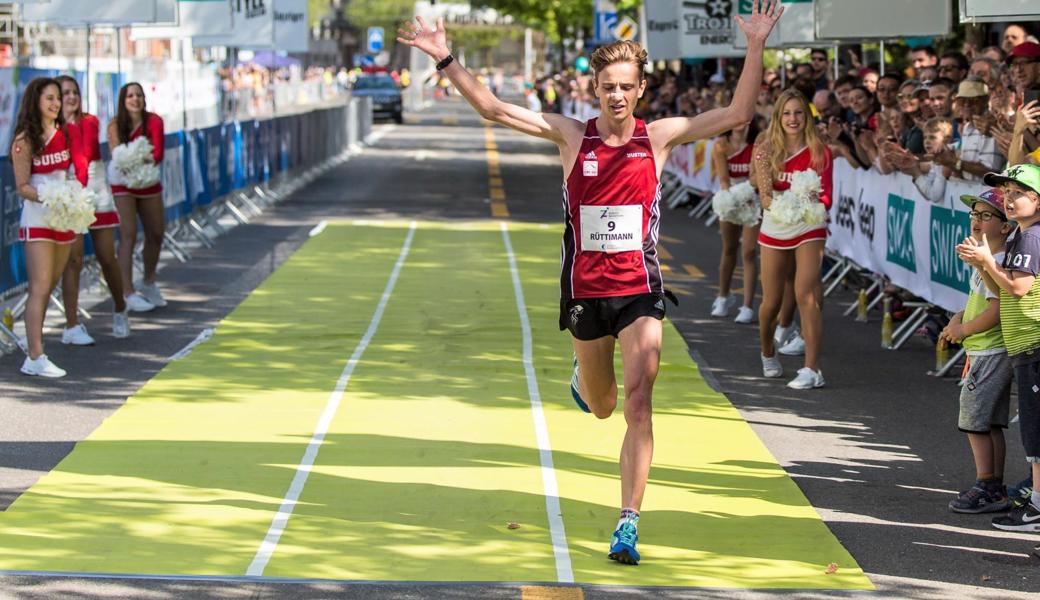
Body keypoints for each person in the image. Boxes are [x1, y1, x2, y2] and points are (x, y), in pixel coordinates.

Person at [398, 0, 784, 565]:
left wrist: (755, 46)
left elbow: (735, 114)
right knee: (603, 406)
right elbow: (490, 108)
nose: (617, 96)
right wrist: (445, 59)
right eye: (607, 86)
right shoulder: (570, 136)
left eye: (627, 86)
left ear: (641, 90)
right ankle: (586, 378)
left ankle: (627, 521)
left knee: (640, 399)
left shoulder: (659, 137)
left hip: (640, 288)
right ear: (596, 88)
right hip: (585, 289)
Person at [957, 163, 1040, 532]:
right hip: (1024, 344)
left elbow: (1019, 290)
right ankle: (1032, 498)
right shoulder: (1026, 235)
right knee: (1031, 432)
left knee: (1035, 435)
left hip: (1033, 342)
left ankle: (1033, 504)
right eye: (1006, 192)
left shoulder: (1031, 238)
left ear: (1037, 201)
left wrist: (987, 261)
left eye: (1018, 192)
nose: (1009, 198)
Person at [753, 88, 833, 389]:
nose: (793, 118)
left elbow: (827, 196)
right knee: (771, 302)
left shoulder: (820, 151)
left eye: (798, 112)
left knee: (806, 294)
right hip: (775, 225)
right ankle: (767, 351)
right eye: (786, 113)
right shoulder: (765, 149)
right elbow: (765, 197)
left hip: (808, 226)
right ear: (778, 117)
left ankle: (812, 369)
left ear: (807, 116)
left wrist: (810, 202)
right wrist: (784, 204)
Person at [943, 188, 1014, 514]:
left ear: (1005, 226)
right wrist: (957, 318)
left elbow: (997, 310)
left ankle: (986, 482)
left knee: (974, 420)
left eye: (986, 215)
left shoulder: (998, 262)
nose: (976, 220)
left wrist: (963, 330)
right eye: (974, 214)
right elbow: (978, 305)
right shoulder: (985, 258)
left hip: (990, 351)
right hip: (984, 349)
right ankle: (995, 485)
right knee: (991, 422)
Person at [10, 77, 86, 377]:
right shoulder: (24, 140)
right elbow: (21, 186)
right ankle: (35, 355)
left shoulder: (65, 133)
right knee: (39, 287)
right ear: (35, 102)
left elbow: (69, 172)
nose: (56, 103)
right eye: (50, 99)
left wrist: (71, 196)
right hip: (39, 219)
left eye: (57, 98)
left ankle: (36, 351)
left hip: (63, 218)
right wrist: (49, 196)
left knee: (50, 283)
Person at [55, 75, 135, 345]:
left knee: (106, 257)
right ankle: (71, 324)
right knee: (73, 260)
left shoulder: (90, 122)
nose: (71, 97)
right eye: (64, 93)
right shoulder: (49, 127)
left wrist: (81, 189)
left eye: (74, 92)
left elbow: (83, 152)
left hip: (94, 186)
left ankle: (120, 308)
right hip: (68, 189)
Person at [108, 82, 167, 311]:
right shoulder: (114, 125)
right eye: (130, 95)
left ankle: (149, 280)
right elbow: (117, 157)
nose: (135, 99)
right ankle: (127, 291)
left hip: (149, 181)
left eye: (139, 95)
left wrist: (137, 160)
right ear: (123, 100)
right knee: (128, 234)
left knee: (156, 233)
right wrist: (136, 158)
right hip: (123, 183)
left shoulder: (154, 121)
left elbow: (158, 153)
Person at [710, 118, 761, 323]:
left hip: (752, 198)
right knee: (729, 248)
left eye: (745, 118)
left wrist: (746, 194)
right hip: (730, 195)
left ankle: (747, 305)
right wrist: (728, 199)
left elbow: (757, 177)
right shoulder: (721, 144)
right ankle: (723, 296)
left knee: (749, 251)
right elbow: (723, 178)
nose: (740, 122)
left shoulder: (757, 143)